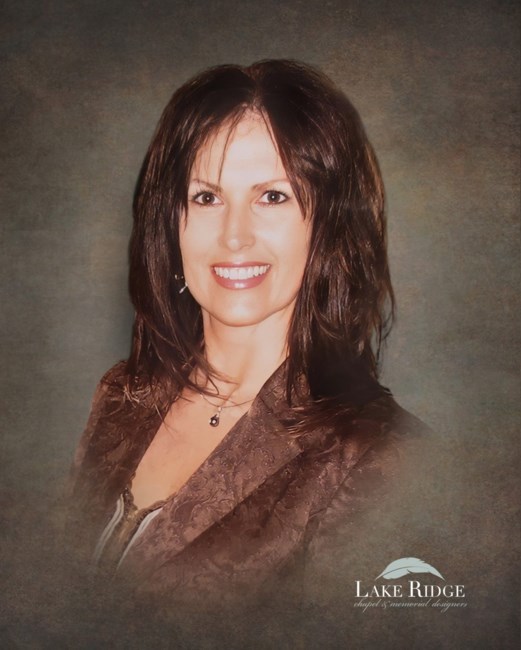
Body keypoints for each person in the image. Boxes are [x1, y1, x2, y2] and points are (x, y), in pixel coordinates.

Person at [67, 60, 434, 628]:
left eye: (273, 197)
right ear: (171, 222)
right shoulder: (121, 395)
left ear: (328, 226)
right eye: (206, 198)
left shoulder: (382, 458)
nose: (234, 236)